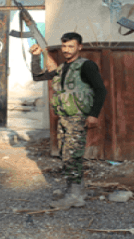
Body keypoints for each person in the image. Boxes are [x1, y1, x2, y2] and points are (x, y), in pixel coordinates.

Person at [29, 32, 107, 209]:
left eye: (71, 46)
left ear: (79, 47)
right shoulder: (63, 67)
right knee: (66, 154)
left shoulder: (86, 66)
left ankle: (74, 196)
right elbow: (38, 77)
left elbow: (101, 90)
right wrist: (35, 57)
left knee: (72, 156)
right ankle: (77, 190)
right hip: (64, 117)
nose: (66, 50)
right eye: (64, 46)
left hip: (77, 117)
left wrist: (94, 114)